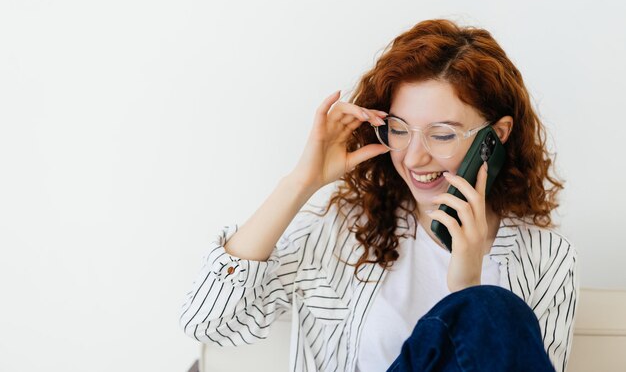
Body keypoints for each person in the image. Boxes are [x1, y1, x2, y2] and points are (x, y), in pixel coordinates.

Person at [179, 19, 579, 372]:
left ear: (497, 136)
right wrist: (301, 181)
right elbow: (209, 321)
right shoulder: (345, 231)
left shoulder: (546, 259)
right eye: (400, 129)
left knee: (492, 308)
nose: (414, 157)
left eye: (441, 134)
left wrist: (467, 290)